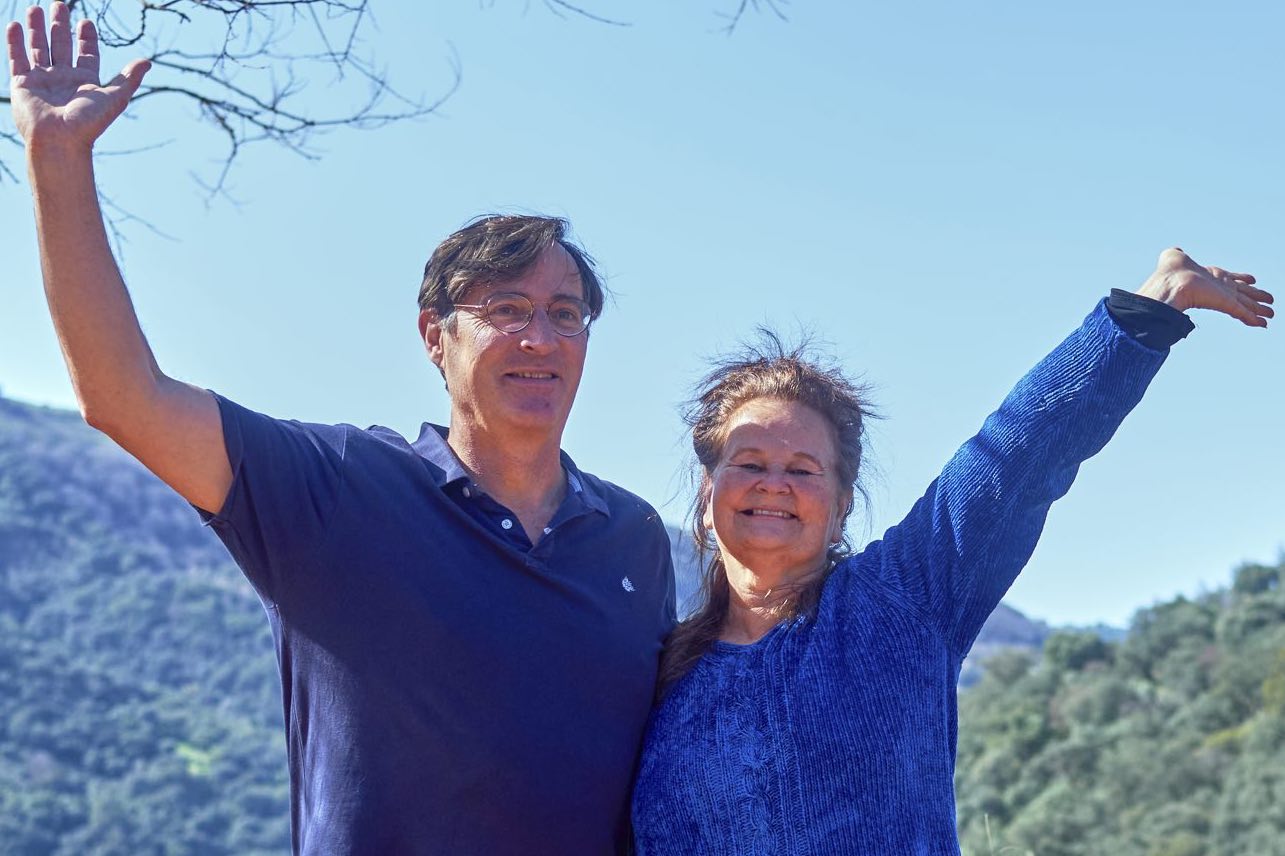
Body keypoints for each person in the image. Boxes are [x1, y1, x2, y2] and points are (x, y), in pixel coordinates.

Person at [7, 4, 674, 854]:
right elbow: (123, 396)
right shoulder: (337, 489)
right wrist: (58, 163)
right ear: (435, 335)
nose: (539, 339)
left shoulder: (635, 539)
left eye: (564, 314)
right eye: (506, 310)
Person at [631, 257, 1273, 854]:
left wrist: (1148, 310)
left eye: (803, 469)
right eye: (751, 463)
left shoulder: (904, 600)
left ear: (843, 503)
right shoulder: (652, 671)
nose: (776, 484)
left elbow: (1018, 456)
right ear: (708, 486)